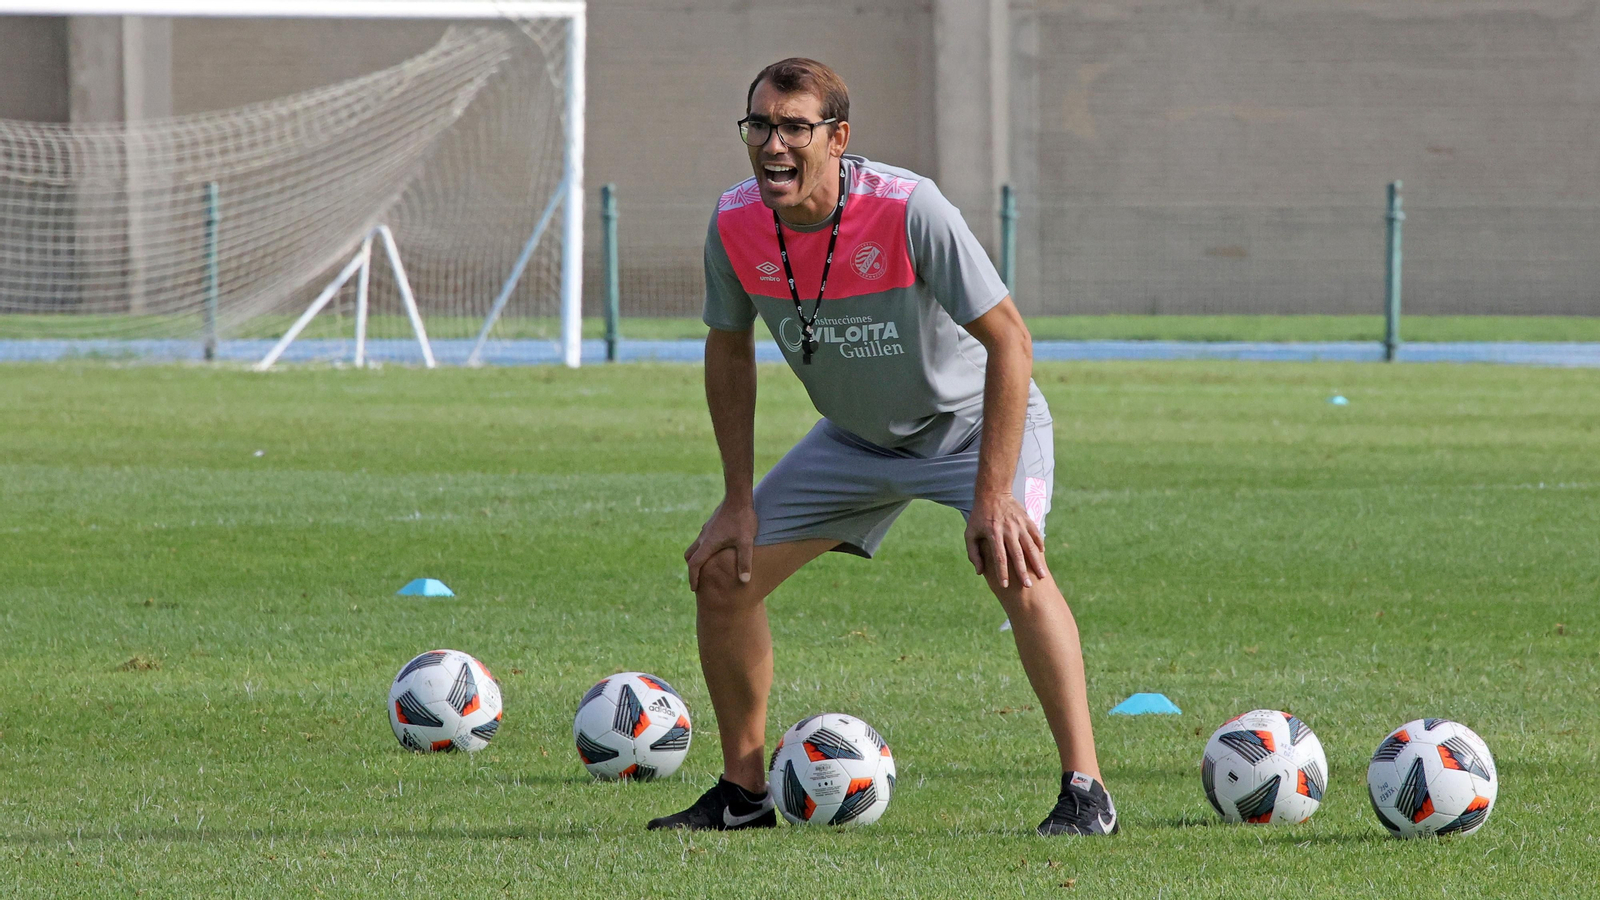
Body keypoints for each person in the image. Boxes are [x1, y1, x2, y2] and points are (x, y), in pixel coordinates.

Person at [646, 58, 1116, 836]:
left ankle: (1086, 791)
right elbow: (727, 351)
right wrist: (737, 501)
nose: (773, 145)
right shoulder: (733, 222)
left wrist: (993, 493)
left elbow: (1012, 343)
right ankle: (743, 794)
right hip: (855, 440)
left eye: (795, 127)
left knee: (1016, 563)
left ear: (837, 138)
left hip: (974, 429)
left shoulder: (909, 208)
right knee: (723, 576)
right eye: (759, 125)